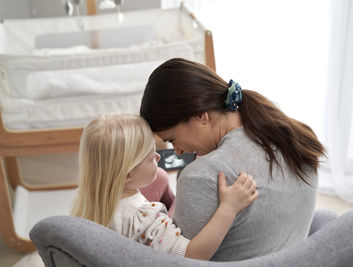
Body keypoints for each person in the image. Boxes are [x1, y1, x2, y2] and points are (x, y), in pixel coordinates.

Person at [140, 58, 326, 261]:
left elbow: (177, 261)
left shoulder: (203, 175)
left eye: (172, 139)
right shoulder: (296, 137)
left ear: (201, 116)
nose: (177, 152)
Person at [71, 113, 258, 260]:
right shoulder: (142, 220)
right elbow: (192, 255)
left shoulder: (85, 205)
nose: (159, 158)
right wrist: (229, 208)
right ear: (128, 175)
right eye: (152, 157)